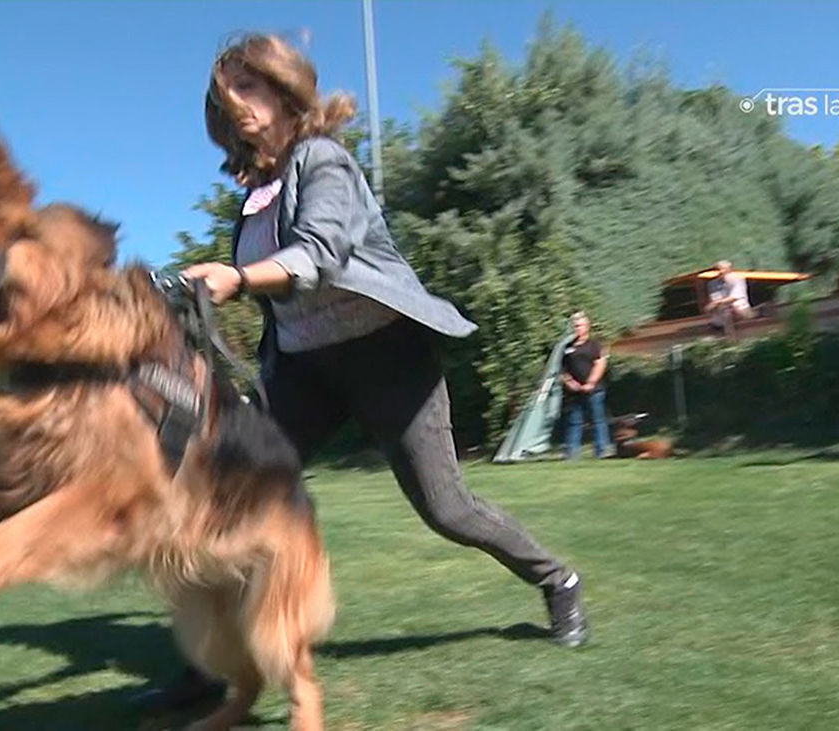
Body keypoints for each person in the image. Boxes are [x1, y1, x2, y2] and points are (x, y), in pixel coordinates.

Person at [149, 33, 589, 710]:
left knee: (447, 508)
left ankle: (557, 579)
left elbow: (318, 254)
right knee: (225, 495)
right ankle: (212, 666)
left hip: (386, 355)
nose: (238, 105)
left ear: (286, 89)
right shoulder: (256, 194)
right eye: (225, 95)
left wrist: (237, 276)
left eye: (252, 87)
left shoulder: (324, 161)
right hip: (302, 369)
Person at [560, 312, 613, 459]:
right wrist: (570, 383)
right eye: (575, 326)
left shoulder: (594, 345)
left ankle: (602, 451)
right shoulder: (566, 347)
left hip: (594, 390)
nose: (577, 328)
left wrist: (590, 383)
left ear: (587, 327)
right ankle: (571, 454)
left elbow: (600, 364)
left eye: (580, 325)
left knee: (598, 420)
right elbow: (562, 370)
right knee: (574, 422)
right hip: (574, 392)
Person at [705, 260, 754, 336]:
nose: (721, 272)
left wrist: (716, 303)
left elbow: (734, 297)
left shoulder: (738, 279)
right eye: (718, 269)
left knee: (730, 310)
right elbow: (715, 298)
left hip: (741, 309)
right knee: (721, 313)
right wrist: (712, 306)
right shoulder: (712, 284)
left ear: (730, 269)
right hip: (722, 310)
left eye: (724, 269)